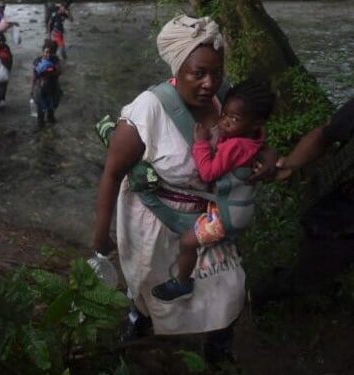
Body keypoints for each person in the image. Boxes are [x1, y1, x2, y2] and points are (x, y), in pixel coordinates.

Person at [91, 15, 277, 362]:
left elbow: (251, 132)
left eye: (216, 73)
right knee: (150, 287)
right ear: (178, 67)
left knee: (228, 286)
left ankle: (218, 347)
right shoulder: (148, 111)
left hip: (208, 215)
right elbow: (112, 174)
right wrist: (101, 238)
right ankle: (138, 321)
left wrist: (267, 153)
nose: (210, 83)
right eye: (199, 73)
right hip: (156, 220)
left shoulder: (226, 98)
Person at [151, 80, 275, 302]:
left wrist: (201, 144)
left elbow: (208, 173)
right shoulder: (253, 139)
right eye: (224, 114)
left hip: (227, 216)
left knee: (187, 242)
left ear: (256, 123)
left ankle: (181, 283)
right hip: (237, 208)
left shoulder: (235, 146)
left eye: (234, 119)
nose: (225, 122)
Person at [253, 98, 354, 303]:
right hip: (340, 215)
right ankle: (259, 296)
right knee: (310, 276)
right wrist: (289, 165)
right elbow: (325, 135)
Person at [31, 39, 62, 127]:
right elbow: (34, 76)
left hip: (53, 86)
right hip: (41, 88)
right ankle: (41, 123)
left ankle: (50, 118)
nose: (48, 55)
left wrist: (50, 71)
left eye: (50, 53)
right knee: (40, 108)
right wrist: (32, 90)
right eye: (46, 52)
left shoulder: (55, 60)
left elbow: (59, 72)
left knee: (52, 106)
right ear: (43, 51)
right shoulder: (37, 61)